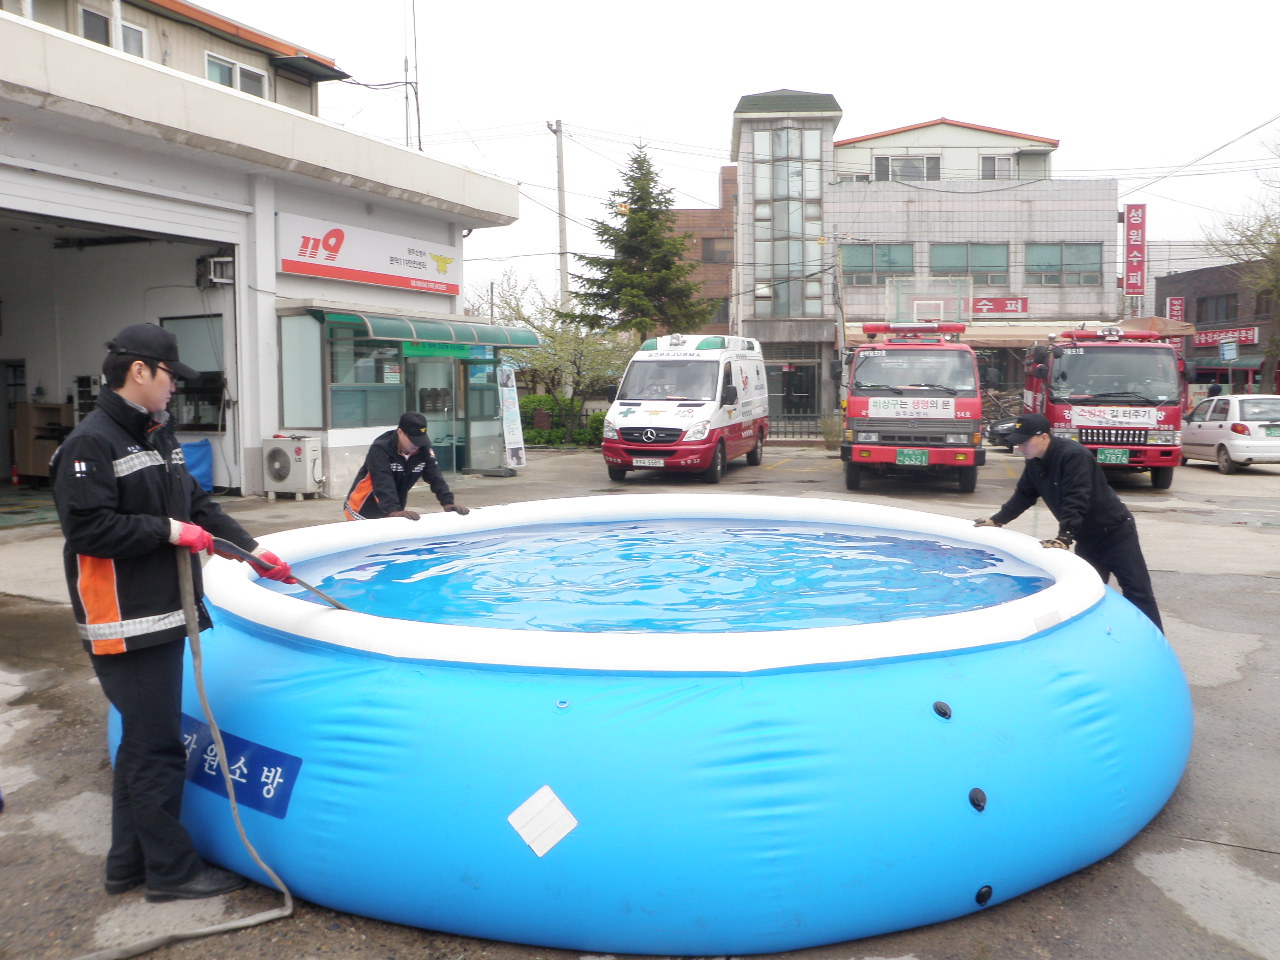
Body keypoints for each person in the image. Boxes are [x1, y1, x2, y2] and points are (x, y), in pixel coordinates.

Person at [50, 323, 296, 901]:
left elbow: (197, 505)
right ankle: (171, 872)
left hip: (159, 612)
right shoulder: (90, 444)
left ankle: (128, 863)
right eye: (168, 376)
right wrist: (168, 530)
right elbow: (88, 529)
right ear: (139, 371)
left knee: (143, 741)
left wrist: (253, 552)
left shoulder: (157, 435)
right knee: (157, 745)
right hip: (123, 619)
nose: (173, 387)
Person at [974, 412, 1162, 630]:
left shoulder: (1073, 455)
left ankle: (1156, 639)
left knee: (1137, 591)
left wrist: (1064, 537)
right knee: (1087, 595)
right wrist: (998, 520)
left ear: (1044, 437)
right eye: (1018, 443)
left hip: (1116, 533)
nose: (1021, 447)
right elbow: (1024, 495)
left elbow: (1077, 497)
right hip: (1087, 539)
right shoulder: (1035, 461)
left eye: (1025, 442)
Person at [343, 411, 470, 521]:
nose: (417, 445)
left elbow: (435, 476)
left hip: (393, 509)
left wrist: (448, 502)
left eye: (420, 440)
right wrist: (393, 510)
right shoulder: (381, 449)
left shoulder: (423, 449)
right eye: (413, 440)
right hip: (362, 507)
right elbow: (382, 482)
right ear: (400, 432)